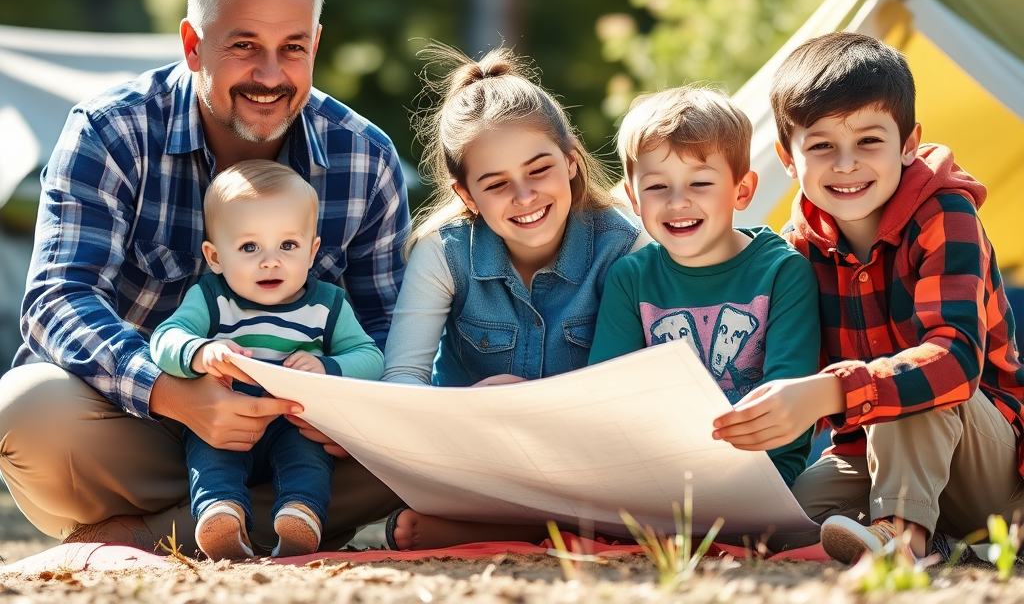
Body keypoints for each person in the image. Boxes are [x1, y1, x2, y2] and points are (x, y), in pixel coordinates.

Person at [0, 0, 409, 555]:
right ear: (193, 44)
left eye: (293, 47)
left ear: (317, 44)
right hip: (143, 423)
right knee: (24, 411)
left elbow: (389, 328)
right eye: (244, 44)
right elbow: (58, 299)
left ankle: (143, 536)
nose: (270, 74)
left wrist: (340, 399)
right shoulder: (111, 132)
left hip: (298, 435)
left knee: (412, 442)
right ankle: (223, 520)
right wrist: (176, 395)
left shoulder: (365, 157)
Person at [711, 32, 1024, 562]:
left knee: (915, 385)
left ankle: (905, 544)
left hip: (986, 464)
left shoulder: (945, 215)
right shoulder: (795, 255)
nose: (847, 163)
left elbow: (955, 361)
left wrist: (830, 393)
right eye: (822, 146)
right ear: (789, 157)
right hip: (868, 453)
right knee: (773, 527)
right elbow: (783, 370)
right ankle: (943, 546)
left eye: (869, 141)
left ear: (907, 142)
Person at [379, 42, 649, 549]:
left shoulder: (626, 246)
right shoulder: (442, 254)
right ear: (466, 196)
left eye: (540, 169)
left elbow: (638, 394)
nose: (525, 197)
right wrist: (474, 412)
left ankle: (509, 529)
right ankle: (524, 523)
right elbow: (404, 384)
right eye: (496, 184)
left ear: (570, 161)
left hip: (590, 458)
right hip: (475, 460)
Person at [150, 160, 385, 559]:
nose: (270, 260)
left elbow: (370, 357)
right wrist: (201, 352)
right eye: (249, 247)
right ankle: (220, 516)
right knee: (210, 456)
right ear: (215, 257)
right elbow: (164, 339)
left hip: (295, 420)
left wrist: (328, 366)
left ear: (312, 251)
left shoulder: (327, 305)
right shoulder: (210, 298)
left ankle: (300, 516)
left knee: (309, 457)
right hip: (224, 416)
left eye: (288, 245)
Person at [586, 86, 820, 488]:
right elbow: (609, 397)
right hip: (659, 473)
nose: (677, 202)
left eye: (700, 184)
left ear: (742, 189)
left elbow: (787, 409)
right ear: (634, 198)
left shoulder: (784, 272)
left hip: (765, 476)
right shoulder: (630, 279)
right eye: (657, 187)